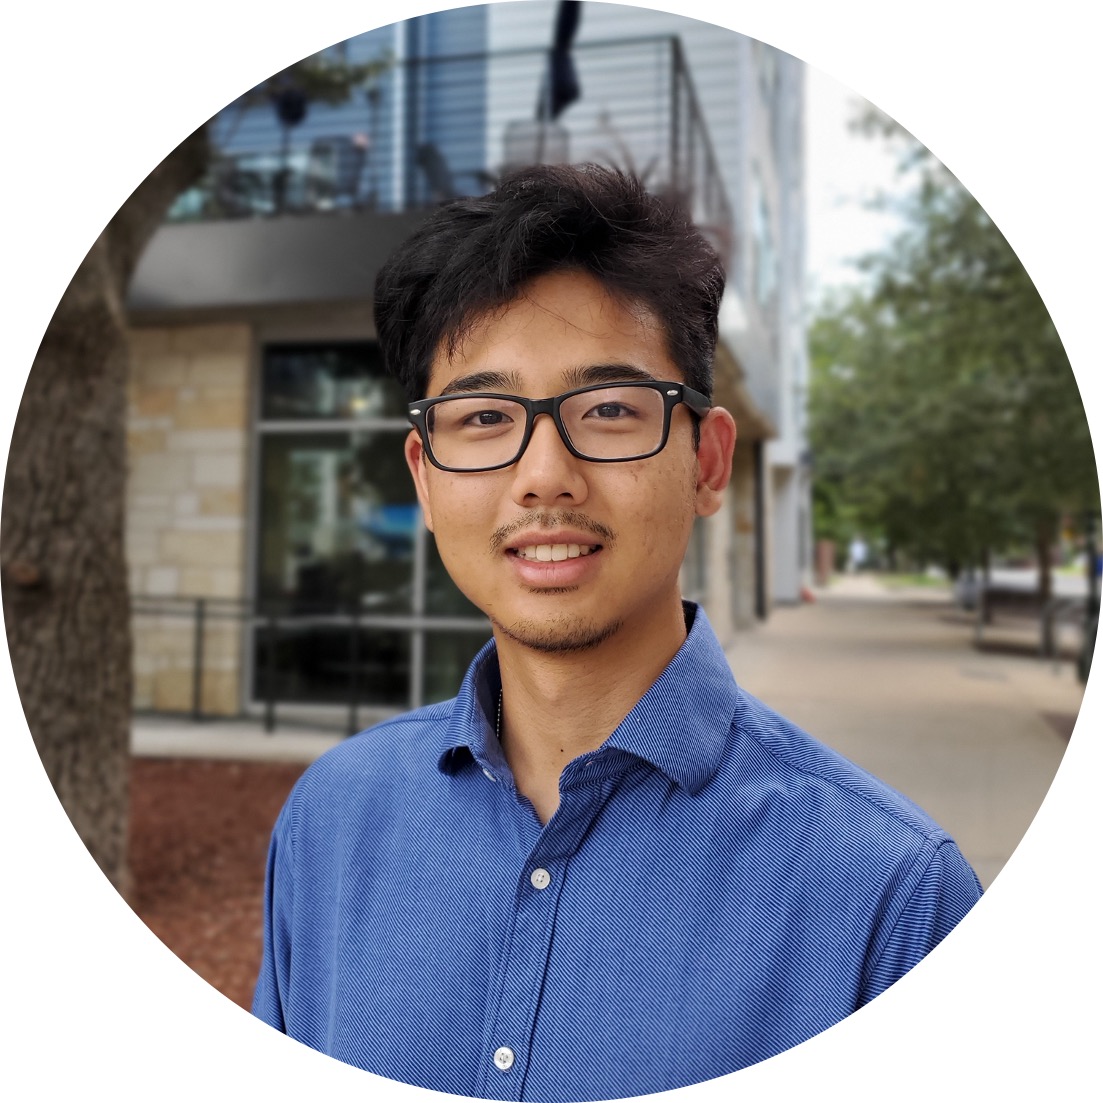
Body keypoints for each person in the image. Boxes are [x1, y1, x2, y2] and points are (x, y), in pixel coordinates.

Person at [252, 164, 982, 1101]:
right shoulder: (330, 821)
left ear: (707, 460)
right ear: (426, 478)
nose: (543, 476)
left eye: (606, 410)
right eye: (482, 417)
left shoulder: (891, 900)